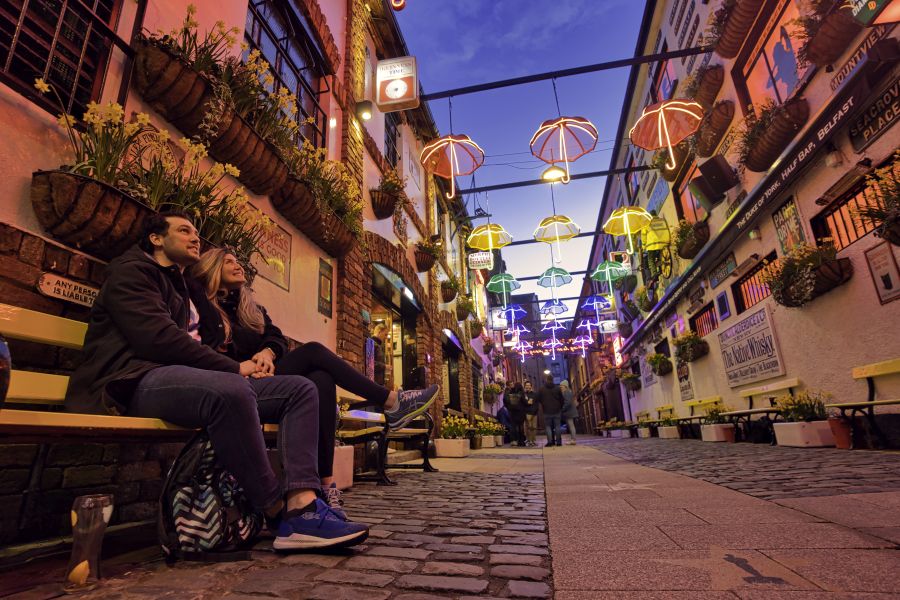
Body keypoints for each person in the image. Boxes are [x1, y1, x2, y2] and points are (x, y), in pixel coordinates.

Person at [65, 212, 368, 550]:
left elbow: (243, 335)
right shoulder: (133, 272)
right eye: (184, 231)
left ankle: (304, 504)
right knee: (231, 388)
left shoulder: (181, 285)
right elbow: (158, 339)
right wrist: (234, 367)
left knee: (300, 389)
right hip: (134, 379)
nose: (195, 238)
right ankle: (277, 510)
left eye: (196, 232)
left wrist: (255, 356)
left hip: (187, 380)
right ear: (156, 239)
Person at [190, 248, 438, 513]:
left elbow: (276, 339)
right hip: (235, 383)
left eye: (237, 260)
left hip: (268, 379)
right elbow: (205, 348)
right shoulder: (202, 304)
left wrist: (267, 352)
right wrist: (244, 367)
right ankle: (391, 402)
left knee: (321, 379)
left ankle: (325, 484)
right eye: (228, 262)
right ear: (212, 268)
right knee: (314, 352)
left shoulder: (252, 309)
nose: (237, 265)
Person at [536, 375, 564, 447]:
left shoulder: (542, 389)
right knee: (557, 426)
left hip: (546, 410)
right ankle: (558, 442)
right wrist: (560, 407)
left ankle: (550, 442)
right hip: (557, 410)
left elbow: (538, 398)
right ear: (553, 380)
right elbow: (562, 399)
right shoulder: (557, 388)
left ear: (546, 379)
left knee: (548, 427)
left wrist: (543, 403)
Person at [504, 381, 527, 447]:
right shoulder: (521, 393)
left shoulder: (511, 392)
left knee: (514, 426)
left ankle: (515, 440)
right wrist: (527, 401)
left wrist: (509, 408)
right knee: (521, 426)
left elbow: (506, 401)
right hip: (521, 412)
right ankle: (521, 441)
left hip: (513, 412)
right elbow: (525, 402)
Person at [560, 380, 579, 445]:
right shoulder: (567, 392)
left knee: (571, 426)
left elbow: (567, 402)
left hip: (570, 412)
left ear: (565, 386)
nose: (561, 387)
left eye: (561, 386)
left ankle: (573, 440)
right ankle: (572, 439)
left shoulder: (567, 392)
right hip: (569, 412)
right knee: (571, 426)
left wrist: (562, 409)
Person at [523, 380, 539, 447]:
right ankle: (529, 440)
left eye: (529, 385)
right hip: (527, 413)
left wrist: (535, 412)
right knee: (529, 428)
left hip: (534, 413)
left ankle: (533, 440)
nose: (528, 387)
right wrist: (527, 402)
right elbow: (523, 403)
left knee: (534, 428)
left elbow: (536, 404)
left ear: (531, 386)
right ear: (525, 386)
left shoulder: (535, 394)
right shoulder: (523, 395)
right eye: (526, 386)